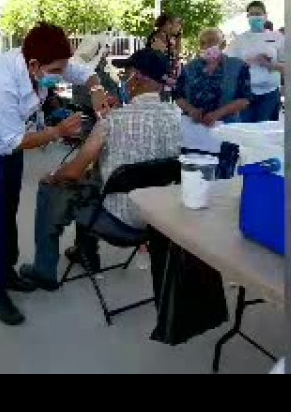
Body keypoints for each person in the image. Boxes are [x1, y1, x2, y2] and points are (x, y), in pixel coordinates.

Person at [0, 22, 111, 326]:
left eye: (63, 67)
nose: (61, 73)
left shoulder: (50, 62)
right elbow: (15, 141)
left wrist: (96, 91)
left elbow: (86, 74)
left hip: (10, 141)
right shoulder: (1, 79)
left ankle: (6, 272)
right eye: (56, 70)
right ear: (33, 64)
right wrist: (58, 131)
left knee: (9, 208)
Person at [18, 48, 181, 290]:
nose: (122, 80)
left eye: (125, 74)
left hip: (120, 220)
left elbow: (73, 172)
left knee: (54, 186)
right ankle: (85, 253)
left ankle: (44, 271)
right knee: (91, 180)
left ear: (137, 77)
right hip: (160, 219)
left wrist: (53, 175)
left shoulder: (112, 121)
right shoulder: (177, 116)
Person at [175, 27, 251, 126]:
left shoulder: (238, 66)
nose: (207, 45)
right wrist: (191, 110)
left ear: (223, 44)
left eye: (211, 41)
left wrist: (218, 114)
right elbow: (178, 96)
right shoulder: (189, 67)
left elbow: (245, 99)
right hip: (194, 126)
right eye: (203, 43)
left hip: (226, 126)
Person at [227, 1, 286, 123]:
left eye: (258, 14)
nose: (255, 17)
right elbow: (229, 66)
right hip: (246, 94)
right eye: (252, 14)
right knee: (247, 130)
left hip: (270, 93)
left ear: (265, 16)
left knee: (265, 131)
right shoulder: (239, 40)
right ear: (248, 17)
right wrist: (245, 63)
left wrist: (268, 64)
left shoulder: (277, 37)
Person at [147, 14, 184, 101]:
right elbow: (164, 56)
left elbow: (173, 55)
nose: (172, 27)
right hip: (159, 76)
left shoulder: (166, 37)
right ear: (166, 24)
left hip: (163, 76)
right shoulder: (159, 36)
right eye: (171, 24)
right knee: (164, 99)